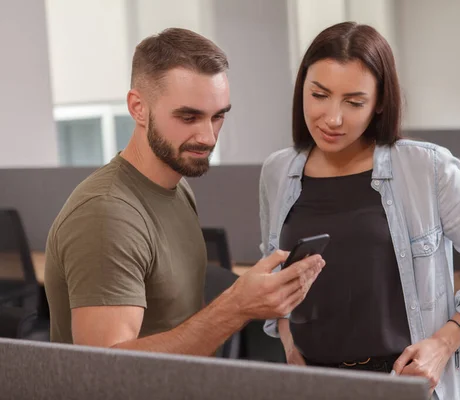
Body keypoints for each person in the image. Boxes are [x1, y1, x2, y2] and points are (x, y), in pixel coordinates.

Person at [259, 22, 460, 399]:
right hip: (313, 384)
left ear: (380, 102)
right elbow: (276, 269)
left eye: (353, 102)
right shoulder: (277, 171)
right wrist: (287, 340)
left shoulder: (425, 168)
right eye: (319, 95)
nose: (332, 118)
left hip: (404, 383)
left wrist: (445, 343)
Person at [44, 28, 325, 355]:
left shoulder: (178, 187)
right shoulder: (107, 214)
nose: (207, 137)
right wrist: (236, 307)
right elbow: (108, 371)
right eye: (189, 116)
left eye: (217, 116)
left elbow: (180, 318)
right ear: (138, 108)